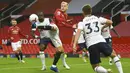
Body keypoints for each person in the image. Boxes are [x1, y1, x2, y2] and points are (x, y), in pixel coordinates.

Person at [73, 4, 123, 73]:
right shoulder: (98, 18)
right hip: (101, 41)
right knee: (114, 55)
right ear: (91, 11)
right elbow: (110, 22)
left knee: (95, 67)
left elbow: (78, 33)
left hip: (91, 44)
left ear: (83, 13)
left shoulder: (81, 23)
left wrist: (74, 44)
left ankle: (106, 72)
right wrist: (102, 27)